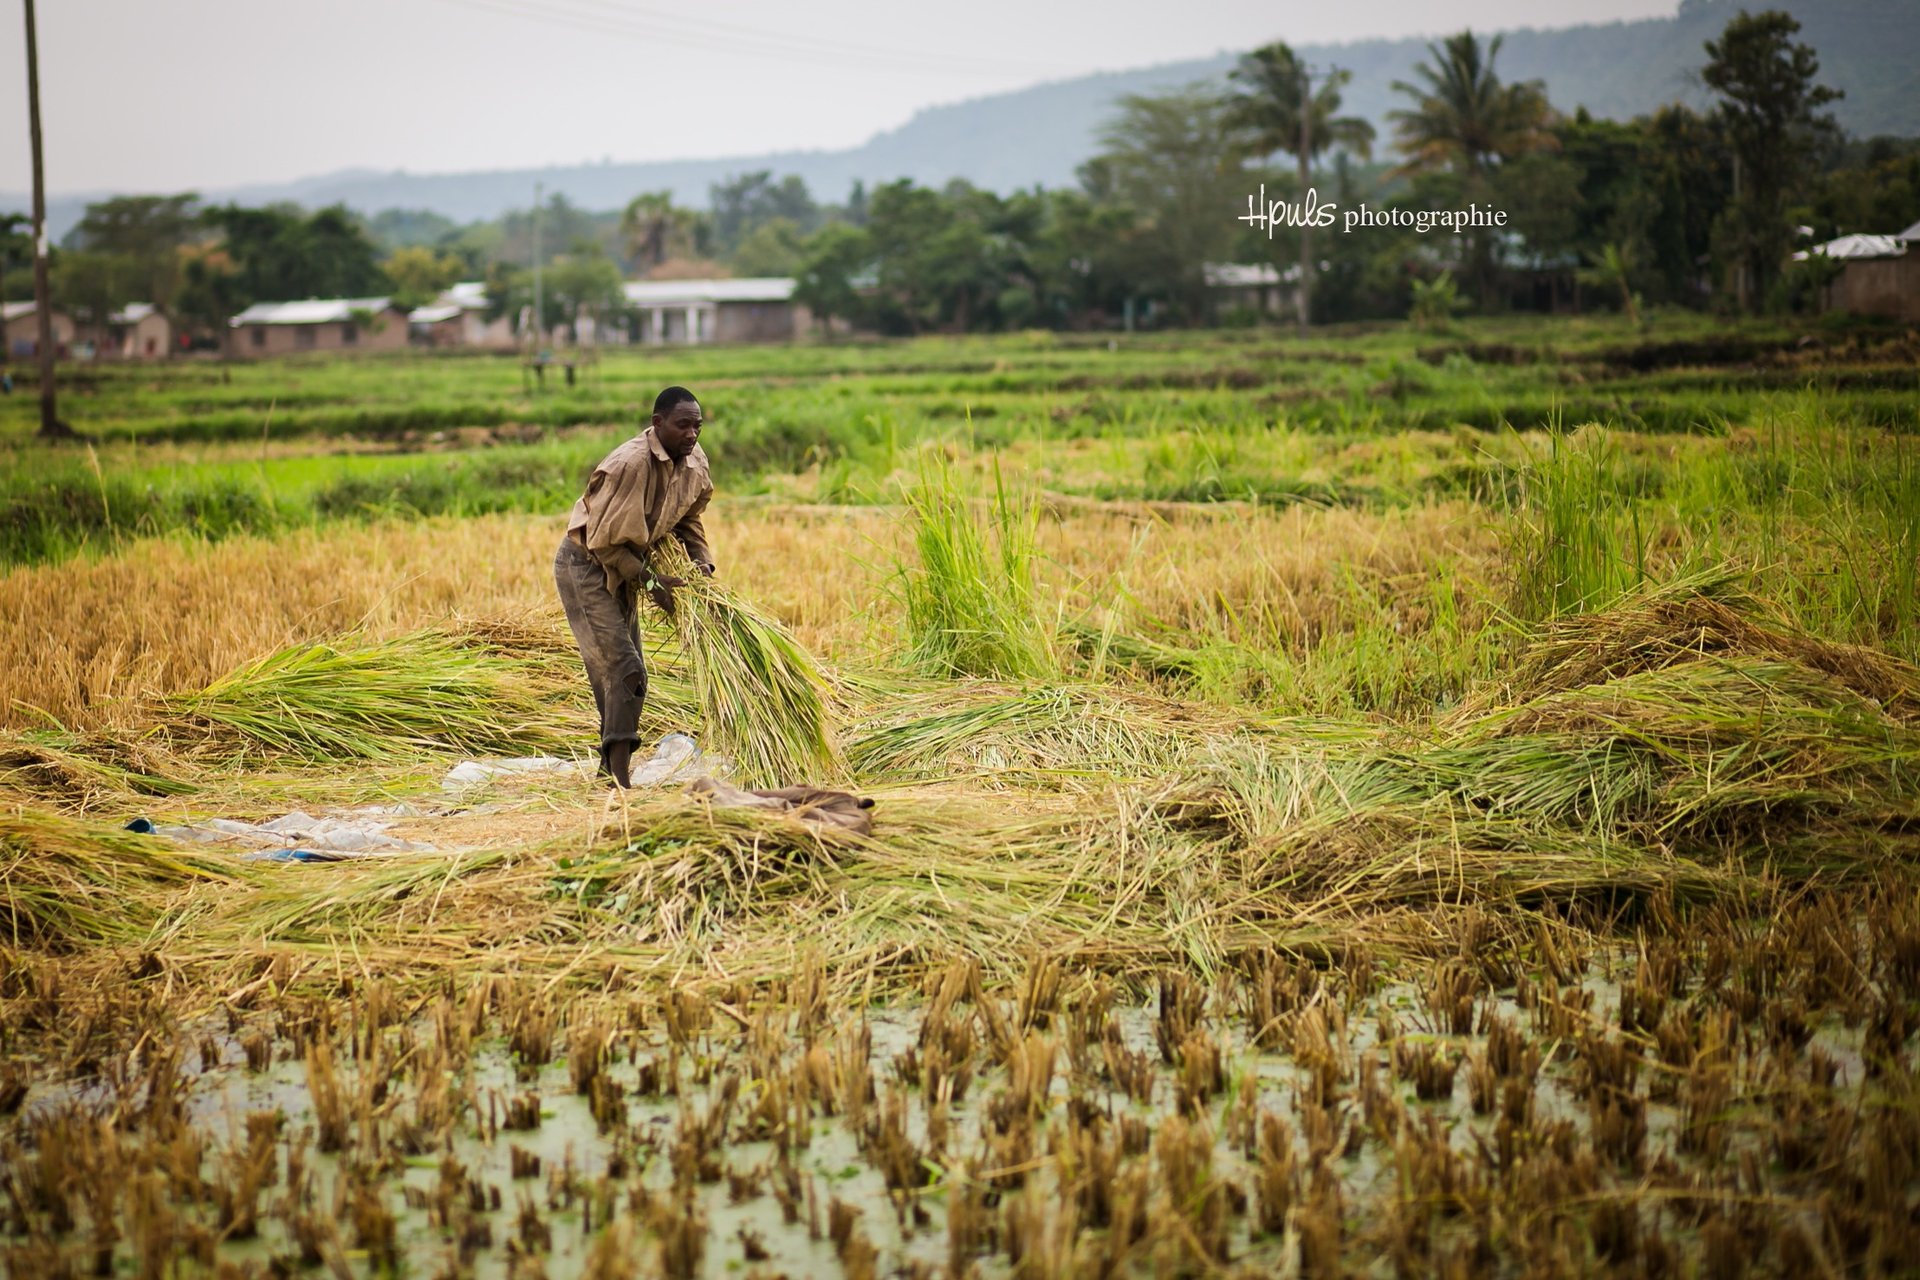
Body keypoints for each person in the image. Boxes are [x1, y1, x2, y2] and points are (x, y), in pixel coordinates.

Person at [554, 385, 715, 787]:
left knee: (623, 673)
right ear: (657, 423)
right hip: (587, 567)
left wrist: (702, 567)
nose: (692, 434)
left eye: (698, 426)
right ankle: (620, 784)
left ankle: (610, 772)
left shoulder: (694, 462)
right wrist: (650, 580)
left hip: (629, 566)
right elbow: (604, 543)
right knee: (624, 668)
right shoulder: (630, 464)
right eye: (683, 426)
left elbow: (688, 521)